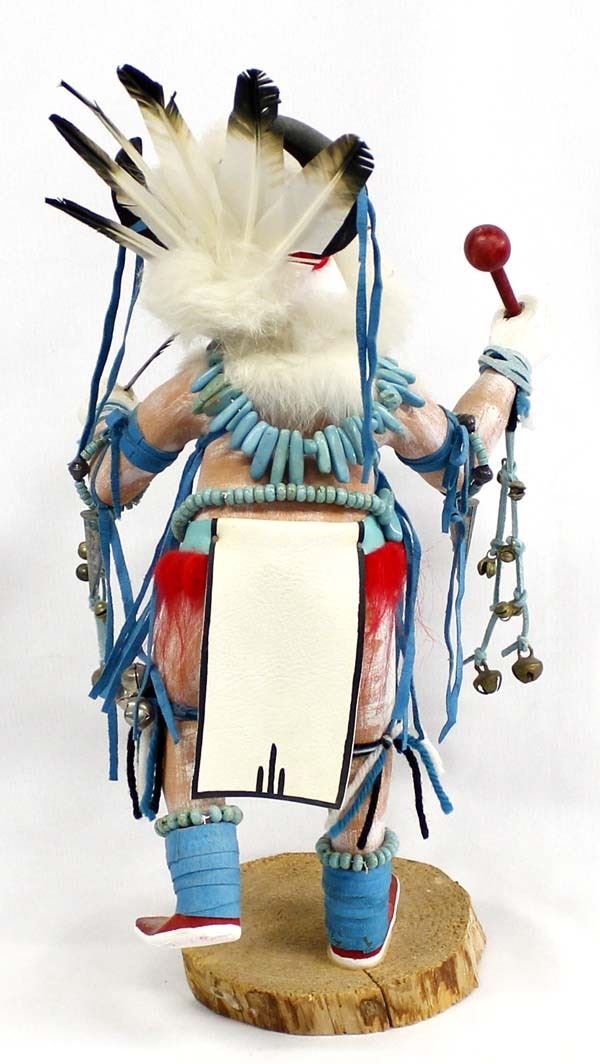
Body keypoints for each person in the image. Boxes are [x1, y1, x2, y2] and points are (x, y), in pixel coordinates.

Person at [49, 65, 541, 967]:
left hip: (212, 577)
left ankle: (206, 899)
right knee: (361, 742)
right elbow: (459, 460)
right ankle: (355, 923)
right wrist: (503, 370)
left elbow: (111, 483)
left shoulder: (204, 382)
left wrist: (113, 424)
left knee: (190, 724)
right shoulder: (374, 382)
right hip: (355, 582)